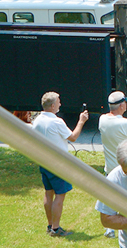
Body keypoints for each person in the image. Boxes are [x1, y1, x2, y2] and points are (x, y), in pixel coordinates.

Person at [31, 92, 89, 238]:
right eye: (58, 102)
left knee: (48, 193)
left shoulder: (37, 120)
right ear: (52, 106)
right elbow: (73, 137)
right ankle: (56, 229)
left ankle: (50, 225)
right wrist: (81, 121)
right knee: (60, 195)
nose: (60, 104)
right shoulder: (57, 122)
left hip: (44, 161)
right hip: (58, 163)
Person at [99, 92, 127, 237]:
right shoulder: (125, 124)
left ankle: (109, 229)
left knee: (110, 200)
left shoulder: (102, 119)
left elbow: (118, 127)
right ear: (122, 105)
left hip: (109, 168)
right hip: (125, 168)